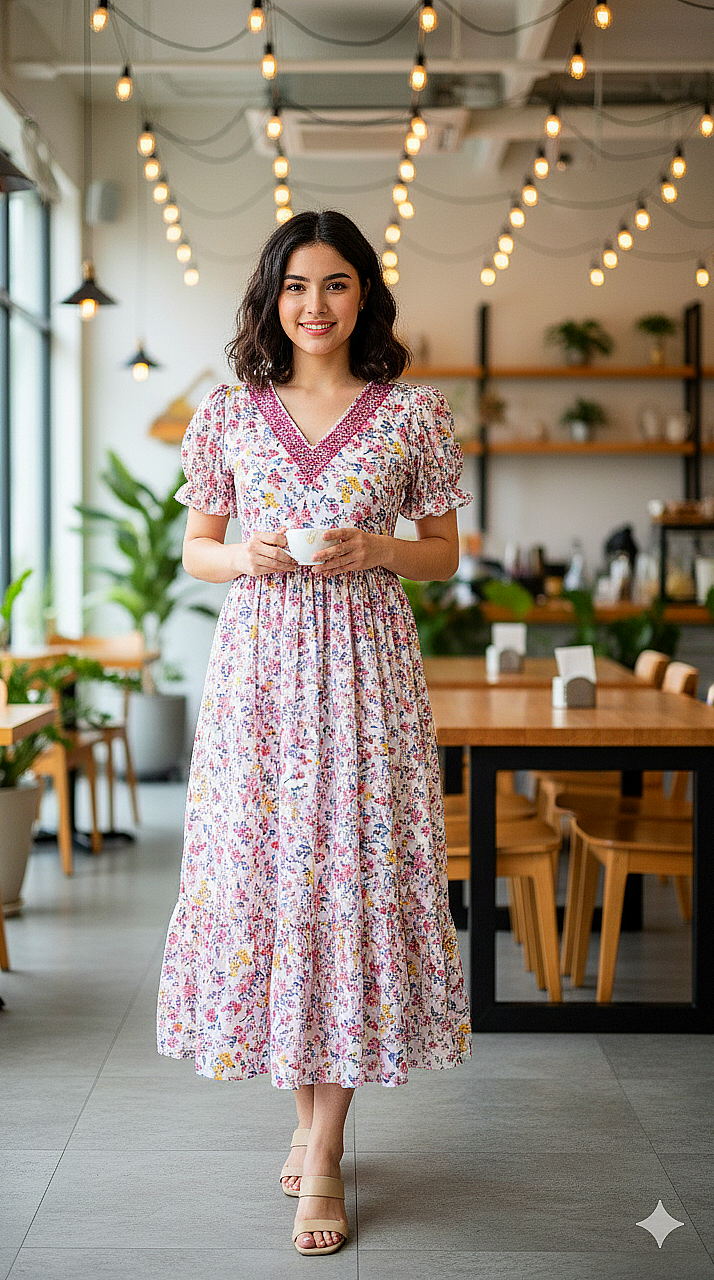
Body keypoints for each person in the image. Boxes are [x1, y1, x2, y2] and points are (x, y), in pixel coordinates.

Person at [157, 209, 472, 1257]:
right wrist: (248, 556)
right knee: (278, 895)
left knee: (350, 891)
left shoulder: (412, 415)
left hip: (368, 683)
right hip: (258, 689)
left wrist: (375, 545)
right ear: (271, 297)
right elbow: (195, 551)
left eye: (336, 284)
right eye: (297, 285)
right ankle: (308, 1117)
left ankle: (325, 1150)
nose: (315, 305)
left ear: (364, 296)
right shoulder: (228, 415)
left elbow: (442, 556)